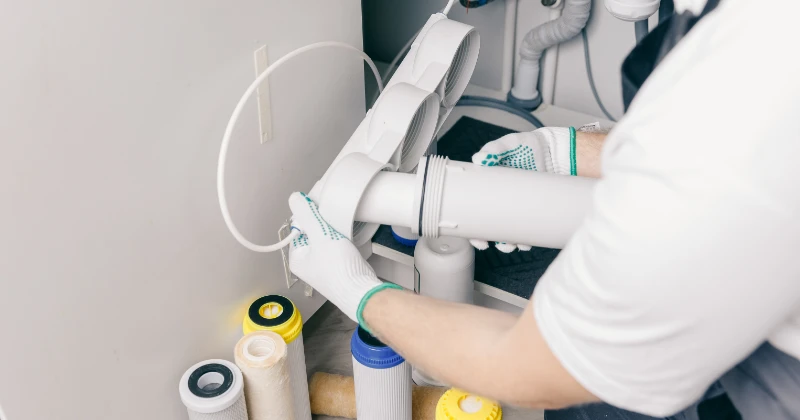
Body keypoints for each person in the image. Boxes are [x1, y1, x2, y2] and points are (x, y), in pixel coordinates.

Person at [287, 0, 800, 418]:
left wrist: (359, 292)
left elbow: (532, 367)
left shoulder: (758, 89)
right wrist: (565, 151)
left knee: (597, 405)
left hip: (777, 380)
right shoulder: (759, 28)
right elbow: (697, 154)